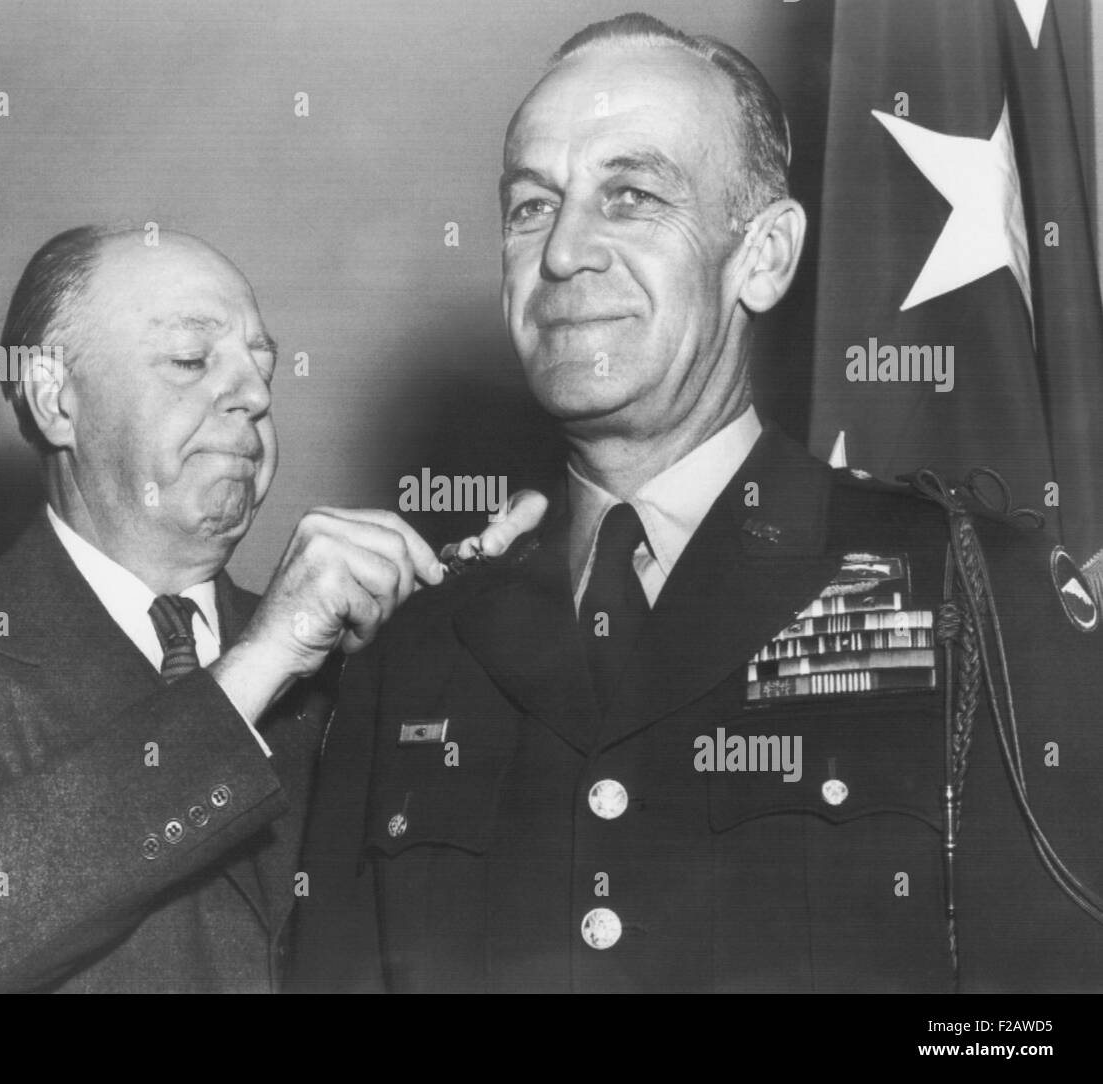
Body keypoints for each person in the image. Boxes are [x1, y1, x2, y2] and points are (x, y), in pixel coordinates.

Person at [289, 13, 1103, 992]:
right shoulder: (414, 650)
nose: (561, 255)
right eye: (530, 207)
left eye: (629, 195)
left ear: (762, 255)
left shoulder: (964, 591)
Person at [0, 225, 535, 993]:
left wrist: (505, 619)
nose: (253, 395)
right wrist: (258, 662)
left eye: (263, 367)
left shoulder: (358, 667)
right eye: (192, 360)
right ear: (56, 399)